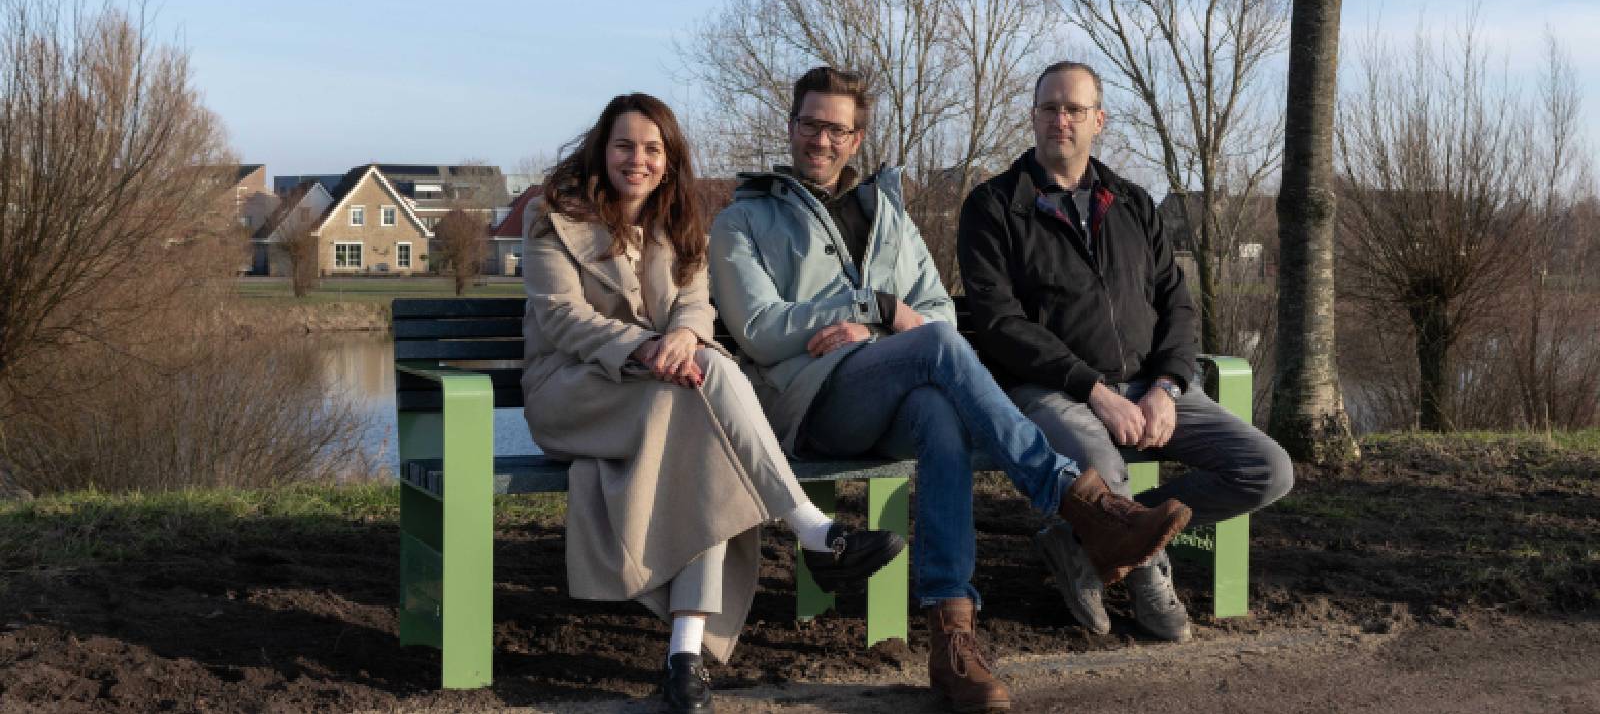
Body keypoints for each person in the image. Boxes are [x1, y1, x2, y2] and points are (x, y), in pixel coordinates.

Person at [708, 66, 1193, 713]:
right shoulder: (745, 218)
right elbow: (761, 329)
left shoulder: (889, 215)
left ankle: (952, 640)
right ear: (791, 127)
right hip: (810, 401)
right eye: (810, 124)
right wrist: (871, 307)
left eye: (837, 129)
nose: (820, 140)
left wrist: (896, 325)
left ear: (857, 139)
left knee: (940, 412)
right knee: (935, 352)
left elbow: (934, 309)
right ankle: (1081, 506)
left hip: (900, 392)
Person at [522, 92, 905, 713]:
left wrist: (682, 335)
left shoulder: (682, 222)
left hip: (663, 389)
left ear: (670, 160)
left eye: (652, 148)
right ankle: (808, 528)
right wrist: (650, 348)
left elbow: (696, 303)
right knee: (711, 396)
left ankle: (684, 659)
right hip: (574, 392)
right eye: (625, 145)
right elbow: (563, 319)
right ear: (603, 148)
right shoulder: (555, 218)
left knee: (709, 435)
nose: (637, 159)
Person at [957, 61, 1295, 644]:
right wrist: (1095, 390)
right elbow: (997, 323)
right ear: (1033, 116)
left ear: (1099, 121)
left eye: (1074, 109)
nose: (1059, 119)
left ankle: (1084, 542)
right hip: (1053, 391)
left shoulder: (1134, 203)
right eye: (1048, 108)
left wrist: (1167, 387)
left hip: (1151, 385)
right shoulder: (992, 206)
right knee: (1105, 473)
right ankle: (1144, 570)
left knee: (1267, 470)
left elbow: (1178, 308)